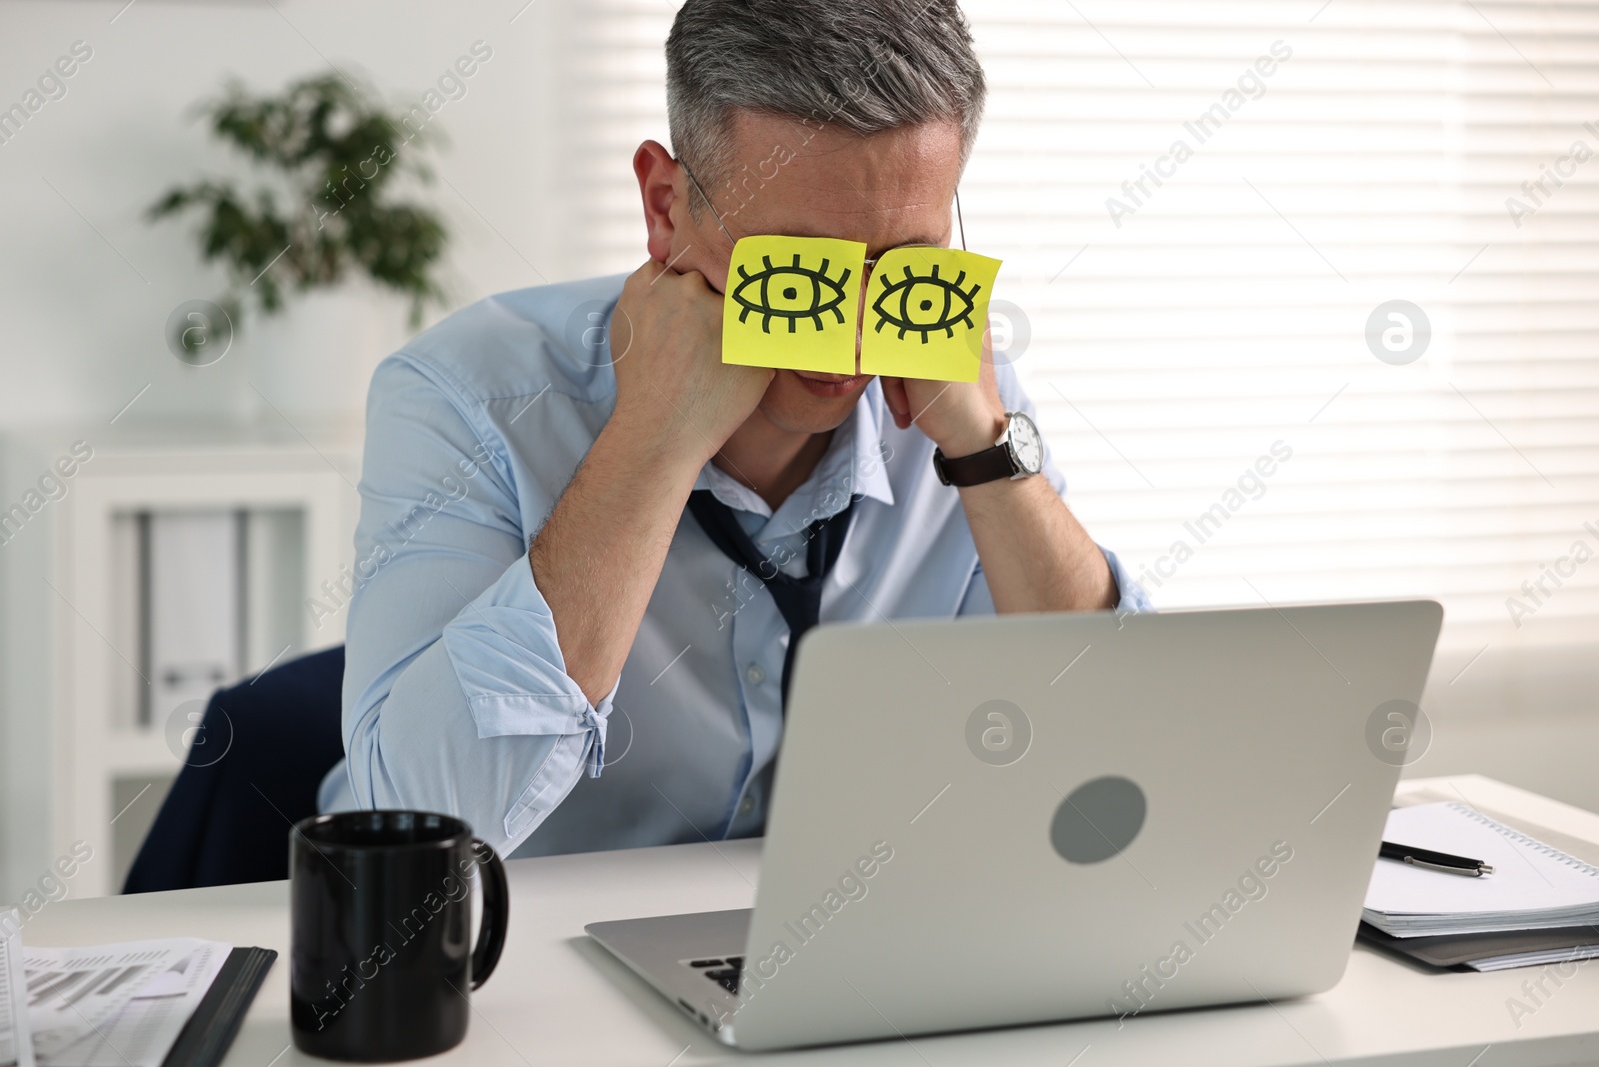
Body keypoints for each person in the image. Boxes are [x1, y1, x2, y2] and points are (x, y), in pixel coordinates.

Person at [316, 0, 1150, 857]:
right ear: (666, 206)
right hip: (496, 962)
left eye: (908, 267)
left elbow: (1133, 770)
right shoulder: (466, 398)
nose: (860, 329)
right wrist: (651, 446)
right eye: (798, 273)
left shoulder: (957, 389)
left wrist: (988, 454)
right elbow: (414, 827)